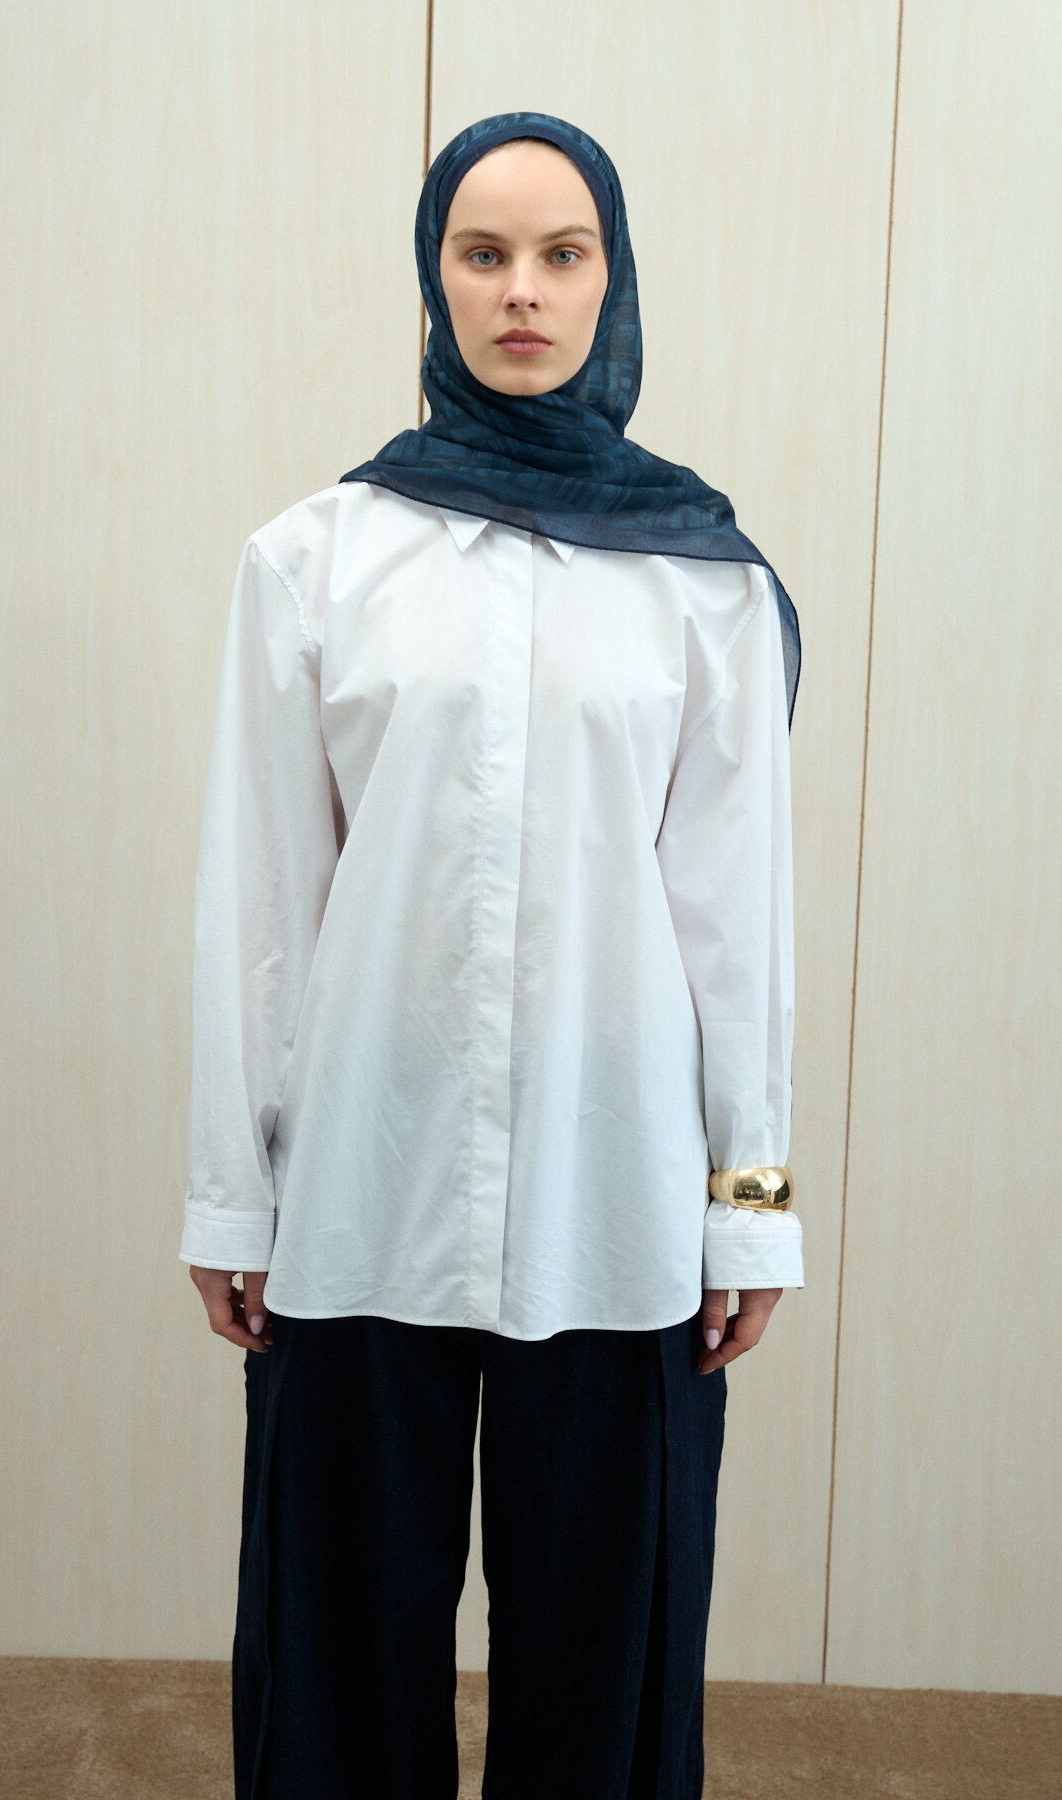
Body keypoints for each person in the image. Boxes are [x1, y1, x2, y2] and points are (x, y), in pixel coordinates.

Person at [180, 112, 804, 1800]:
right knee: (336, 1636)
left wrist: (748, 1206)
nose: (523, 290)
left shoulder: (705, 582)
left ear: (613, 278)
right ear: (434, 278)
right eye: (484, 253)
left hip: (618, 1193)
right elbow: (262, 905)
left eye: (561, 253)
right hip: (363, 1183)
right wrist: (233, 1197)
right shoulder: (316, 560)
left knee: (609, 1652)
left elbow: (737, 924)